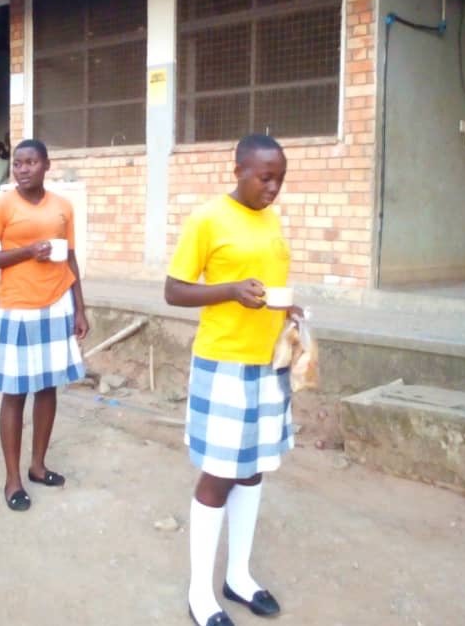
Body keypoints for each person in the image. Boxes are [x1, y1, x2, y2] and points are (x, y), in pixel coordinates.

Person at [165, 133, 296, 626]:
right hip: (223, 365)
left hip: (269, 364)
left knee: (254, 468)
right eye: (265, 177)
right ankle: (201, 594)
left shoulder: (272, 219)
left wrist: (290, 312)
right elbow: (174, 291)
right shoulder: (208, 218)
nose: (273, 187)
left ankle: (238, 576)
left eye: (279, 178)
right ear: (238, 169)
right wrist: (230, 291)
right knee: (219, 474)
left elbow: (269, 286)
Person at [0, 139, 89, 512]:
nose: (22, 169)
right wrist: (26, 251)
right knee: (15, 391)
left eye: (30, 163)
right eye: (18, 164)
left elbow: (69, 257)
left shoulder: (62, 207)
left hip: (57, 302)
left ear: (46, 165)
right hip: (18, 306)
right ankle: (13, 479)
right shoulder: (1, 205)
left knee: (49, 386)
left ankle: (38, 466)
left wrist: (80, 308)